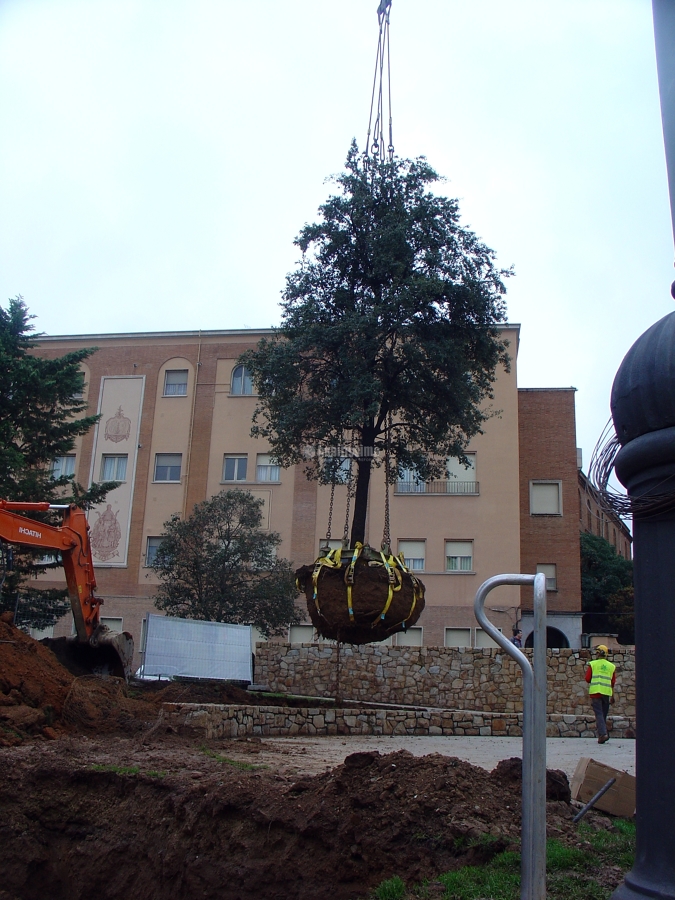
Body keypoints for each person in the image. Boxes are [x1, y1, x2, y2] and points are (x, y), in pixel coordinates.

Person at [585, 644, 617, 744]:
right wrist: (613, 695)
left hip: (595, 692)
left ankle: (603, 734)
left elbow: (587, 678)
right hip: (606, 693)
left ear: (598, 653)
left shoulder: (593, 664)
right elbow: (613, 682)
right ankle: (601, 735)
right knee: (603, 713)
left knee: (598, 713)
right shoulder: (611, 666)